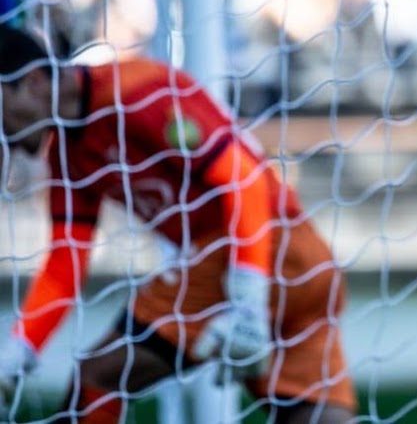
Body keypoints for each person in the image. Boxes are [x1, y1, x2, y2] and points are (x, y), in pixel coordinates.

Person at [0, 28, 354, 422]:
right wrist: (19, 351)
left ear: (31, 82)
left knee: (99, 376)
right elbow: (66, 261)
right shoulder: (69, 154)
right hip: (305, 260)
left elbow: (245, 179)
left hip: (247, 252)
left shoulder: (135, 94)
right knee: (308, 412)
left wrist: (248, 297)